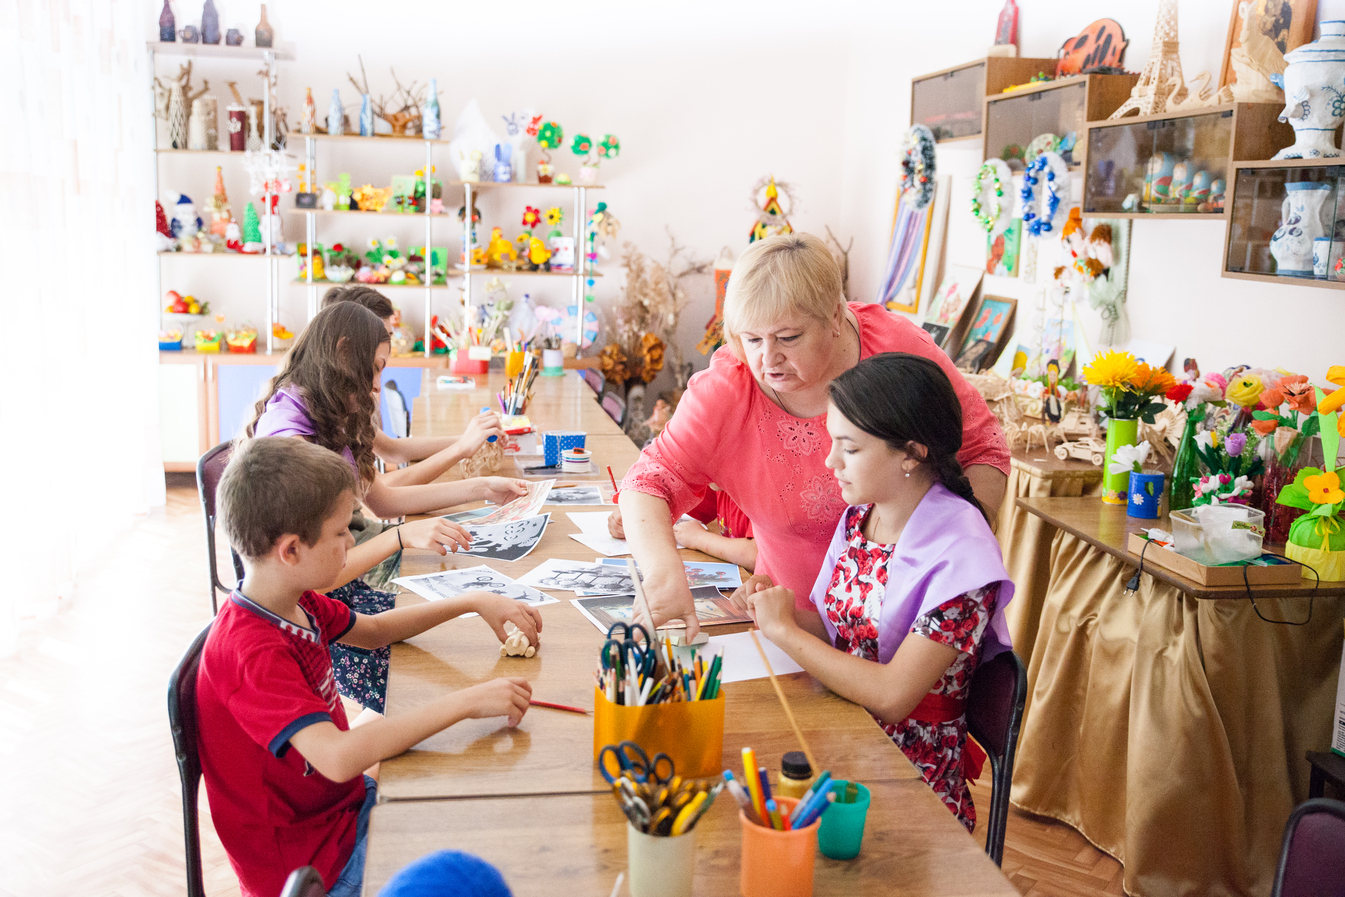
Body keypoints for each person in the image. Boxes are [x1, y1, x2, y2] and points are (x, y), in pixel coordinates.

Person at [617, 233, 1009, 637]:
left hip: (913, 629)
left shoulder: (897, 352)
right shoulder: (728, 389)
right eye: (751, 339)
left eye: (789, 337)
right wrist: (664, 575)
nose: (768, 359)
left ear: (836, 318)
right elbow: (648, 482)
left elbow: (982, 448)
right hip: (798, 627)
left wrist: (952, 566)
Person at [197, 437, 537, 897]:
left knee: (478, 815)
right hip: (315, 867)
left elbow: (374, 631)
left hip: (340, 815)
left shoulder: (293, 600)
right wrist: (466, 702)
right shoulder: (248, 651)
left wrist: (472, 602)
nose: (352, 540)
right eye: (340, 533)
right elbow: (338, 758)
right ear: (292, 550)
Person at [742, 353, 1014, 832]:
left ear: (911, 452)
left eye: (849, 448)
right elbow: (842, 638)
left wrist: (786, 632)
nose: (830, 462)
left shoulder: (963, 558)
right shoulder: (861, 518)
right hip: (846, 735)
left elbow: (893, 695)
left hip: (908, 778)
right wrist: (780, 608)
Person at [246, 302, 527, 711]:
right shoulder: (296, 443)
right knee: (446, 662)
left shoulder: (322, 407)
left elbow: (387, 500)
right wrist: (400, 536)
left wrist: (482, 486)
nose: (378, 383)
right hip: (325, 608)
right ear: (344, 353)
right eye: (376, 368)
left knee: (463, 625)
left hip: (336, 603)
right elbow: (316, 579)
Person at [322, 284, 505, 486]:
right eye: (382, 336)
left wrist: (470, 440)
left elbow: (392, 451)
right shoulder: (334, 404)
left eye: (389, 337)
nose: (388, 347)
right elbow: (380, 492)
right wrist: (461, 448)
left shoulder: (351, 393)